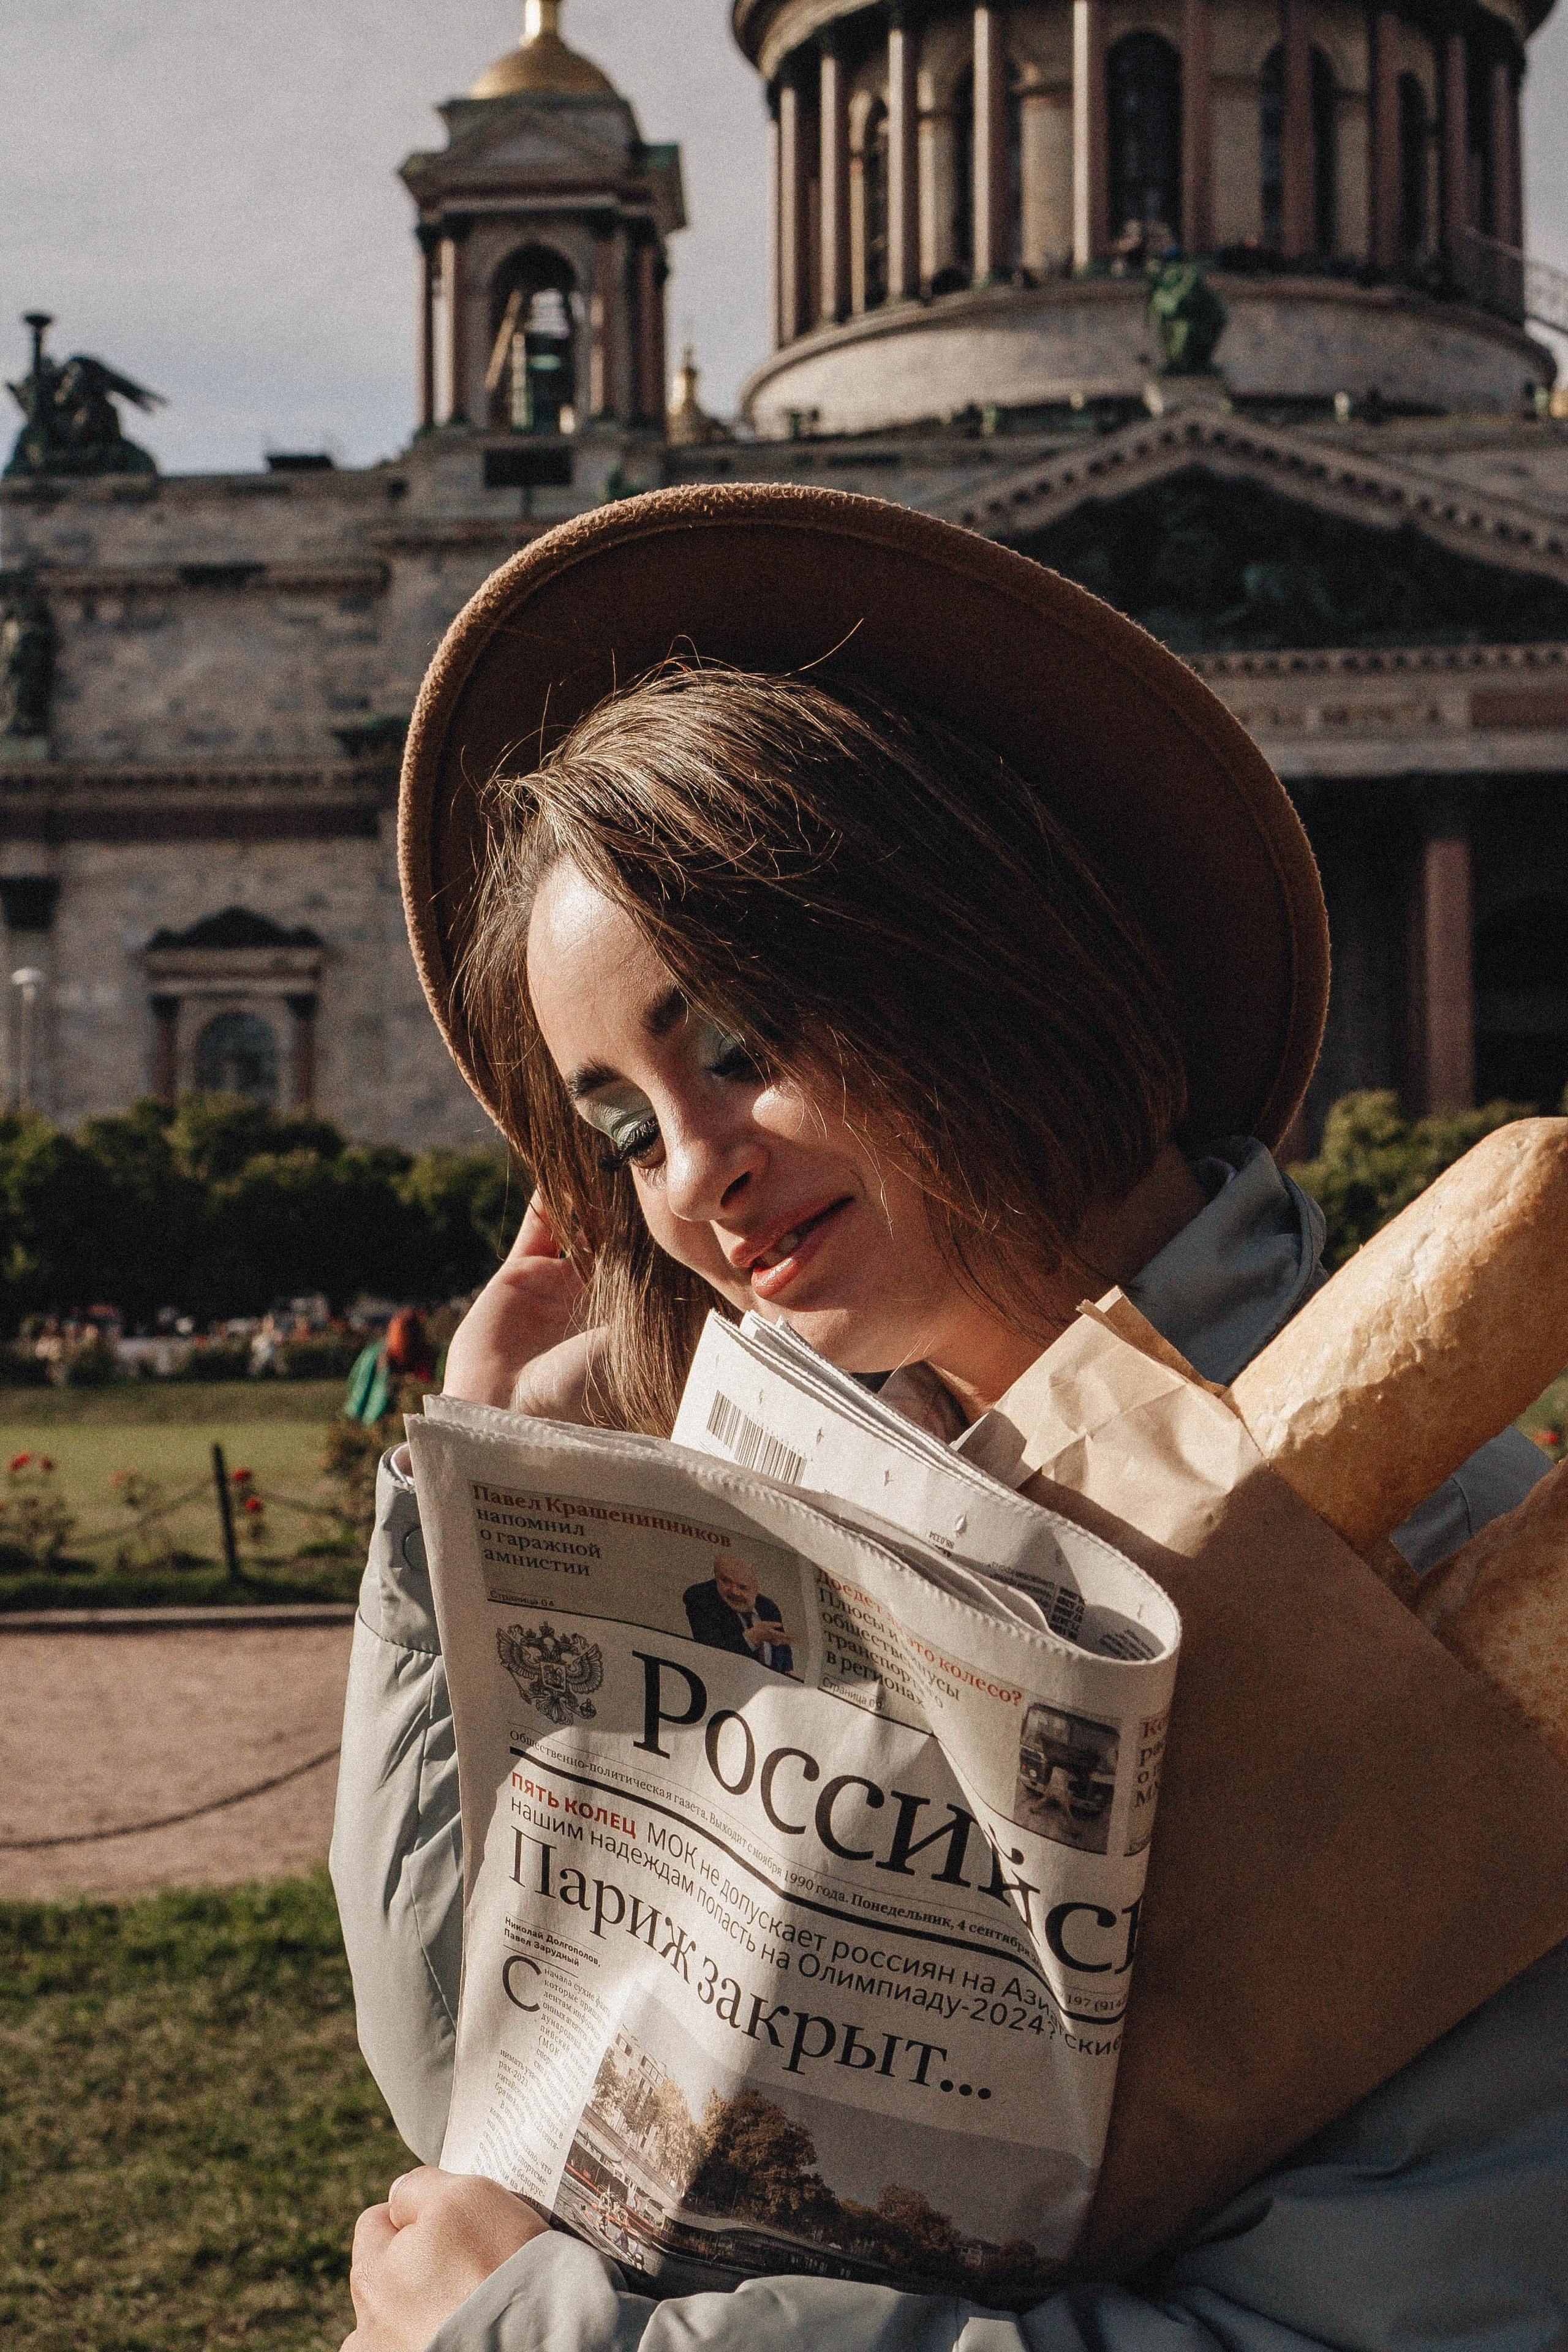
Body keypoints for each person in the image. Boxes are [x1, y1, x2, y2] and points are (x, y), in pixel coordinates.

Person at [331, 486, 1562, 2352]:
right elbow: (483, 2094)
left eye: (737, 1040)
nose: (692, 1182)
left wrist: (539, 2333)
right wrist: (471, 1503)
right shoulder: (802, 1530)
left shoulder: (1446, 1575)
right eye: (622, 1128)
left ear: (971, 939)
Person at [682, 1551, 794, 1673]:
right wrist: (753, 1637)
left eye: (743, 1587)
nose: (734, 1592)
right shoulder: (700, 1597)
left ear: (755, 1588)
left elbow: (781, 1645)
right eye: (725, 1581)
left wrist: (789, 1670)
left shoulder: (768, 1607)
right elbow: (711, 1652)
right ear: (716, 1576)